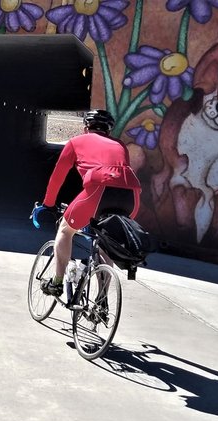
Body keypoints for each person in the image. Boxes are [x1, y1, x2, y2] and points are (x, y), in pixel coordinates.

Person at [31, 109, 141, 297]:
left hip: (98, 192)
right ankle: (102, 299)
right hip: (131, 198)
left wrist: (48, 203)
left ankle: (57, 282)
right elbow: (120, 177)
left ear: (85, 128)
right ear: (109, 130)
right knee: (106, 239)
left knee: (65, 231)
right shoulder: (120, 145)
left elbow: (58, 177)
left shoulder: (76, 142)